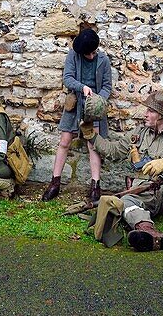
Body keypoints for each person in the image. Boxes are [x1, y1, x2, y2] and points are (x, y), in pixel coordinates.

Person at [86, 90, 163, 251]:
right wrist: (91, 135)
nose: (145, 114)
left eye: (150, 111)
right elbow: (113, 151)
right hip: (144, 194)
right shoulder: (138, 134)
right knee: (125, 202)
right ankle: (147, 230)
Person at [42, 28, 113, 202]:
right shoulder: (73, 56)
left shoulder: (103, 60)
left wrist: (97, 100)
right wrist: (82, 88)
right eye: (87, 54)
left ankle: (96, 186)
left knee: (93, 145)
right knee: (65, 142)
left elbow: (107, 86)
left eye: (92, 53)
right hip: (75, 105)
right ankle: (55, 182)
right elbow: (67, 78)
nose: (90, 56)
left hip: (94, 108)